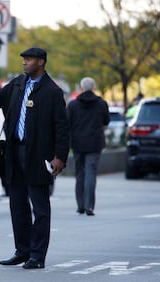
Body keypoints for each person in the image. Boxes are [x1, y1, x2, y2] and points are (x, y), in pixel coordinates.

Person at [0, 47, 70, 269]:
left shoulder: (52, 91)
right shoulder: (18, 83)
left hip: (38, 155)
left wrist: (60, 157)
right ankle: (22, 251)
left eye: (29, 59)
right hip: (15, 152)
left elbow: (62, 127)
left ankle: (37, 256)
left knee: (40, 207)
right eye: (23, 59)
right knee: (17, 205)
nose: (24, 63)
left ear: (41, 62)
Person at [66, 77, 110, 216]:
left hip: (78, 143)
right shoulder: (101, 104)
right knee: (91, 174)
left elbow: (67, 124)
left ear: (82, 87)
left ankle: (80, 205)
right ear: (94, 87)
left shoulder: (73, 105)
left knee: (80, 174)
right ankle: (89, 206)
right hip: (95, 143)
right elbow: (106, 121)